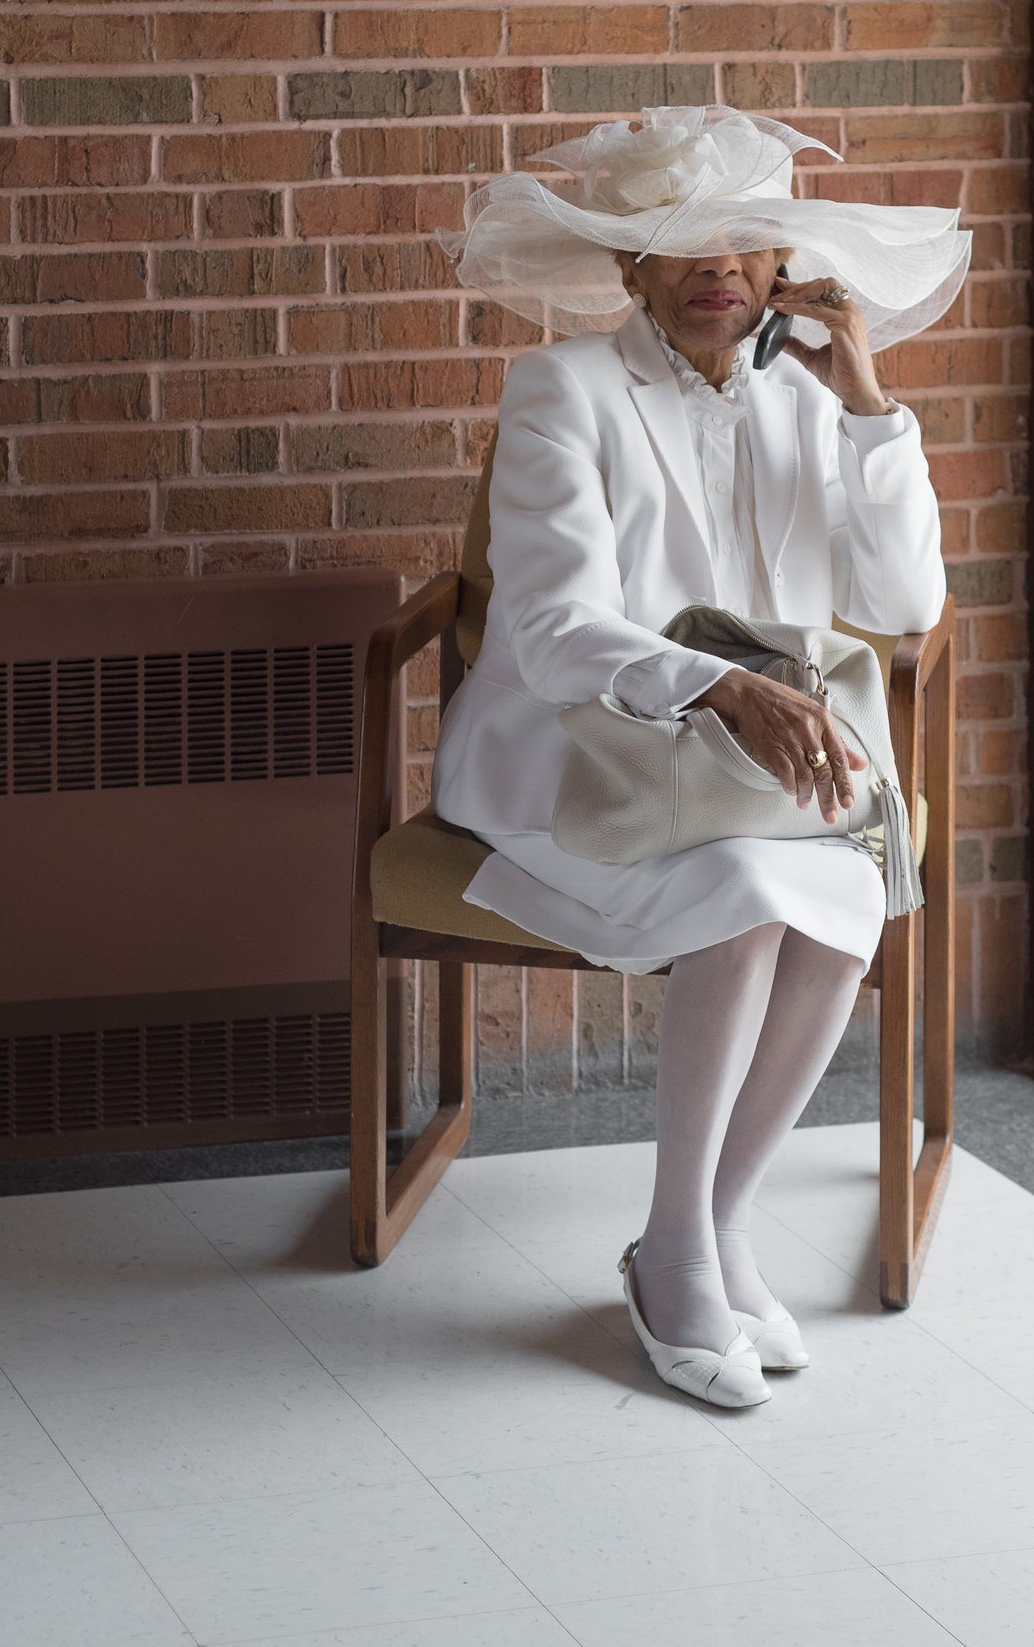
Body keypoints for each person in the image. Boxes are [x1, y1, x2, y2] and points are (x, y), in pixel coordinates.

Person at [431, 106, 969, 1406]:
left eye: (746, 241)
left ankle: (713, 1229)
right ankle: (677, 1252)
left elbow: (905, 605)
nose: (719, 265)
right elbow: (550, 629)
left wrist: (867, 405)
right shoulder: (564, 391)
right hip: (580, 762)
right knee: (749, 899)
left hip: (757, 786)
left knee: (839, 893)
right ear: (630, 264)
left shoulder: (809, 398)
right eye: (681, 241)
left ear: (783, 266)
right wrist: (724, 687)